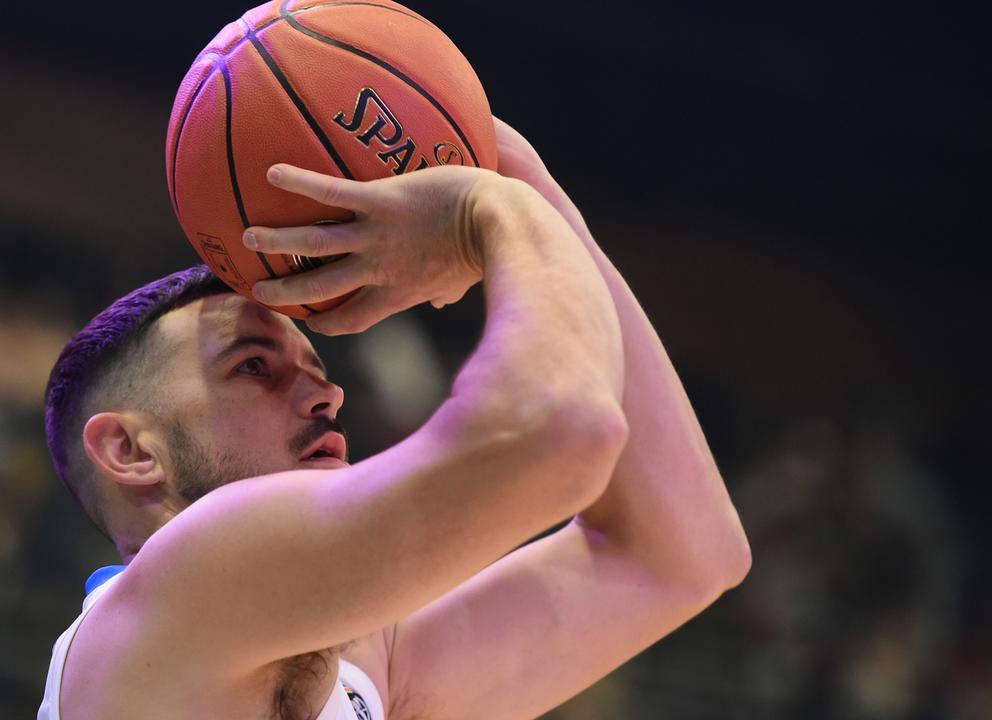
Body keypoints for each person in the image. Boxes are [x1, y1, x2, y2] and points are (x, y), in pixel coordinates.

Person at [36, 118, 751, 720]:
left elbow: (683, 554)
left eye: (320, 370)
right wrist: (493, 210)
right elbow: (561, 431)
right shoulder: (175, 596)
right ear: (130, 449)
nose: (325, 396)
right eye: (253, 366)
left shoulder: (363, 669)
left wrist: (526, 180)